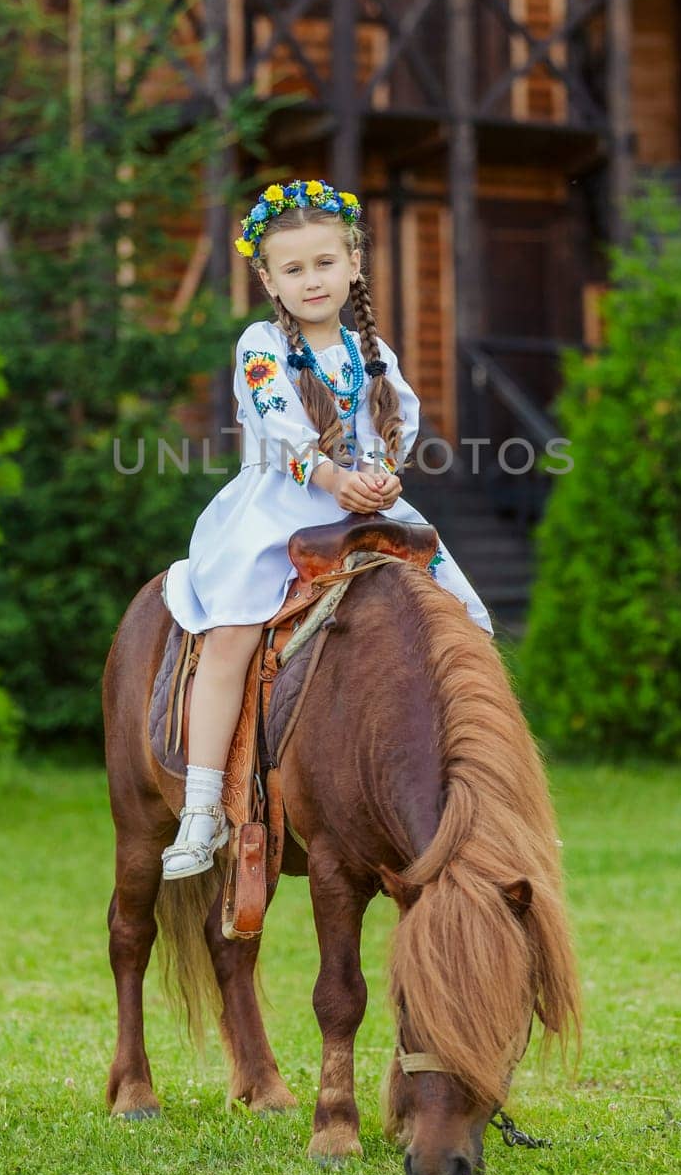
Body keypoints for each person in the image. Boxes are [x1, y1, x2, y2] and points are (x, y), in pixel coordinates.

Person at [160, 179, 493, 879]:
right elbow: (278, 421)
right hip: (280, 511)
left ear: (352, 266)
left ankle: (484, 794)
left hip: (362, 510)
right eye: (292, 269)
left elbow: (392, 422)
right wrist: (335, 477)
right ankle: (200, 806)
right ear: (267, 280)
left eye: (323, 264)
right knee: (232, 630)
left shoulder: (370, 350)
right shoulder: (261, 344)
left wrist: (381, 477)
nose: (310, 280)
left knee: (466, 622)